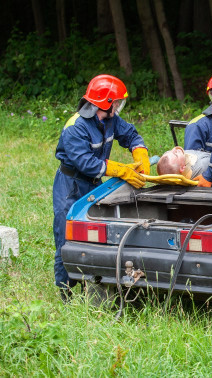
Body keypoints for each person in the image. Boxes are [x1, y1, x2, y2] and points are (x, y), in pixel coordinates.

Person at [53, 74, 149, 300]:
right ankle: (65, 291)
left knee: (94, 233)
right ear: (105, 102)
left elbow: (130, 134)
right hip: (70, 184)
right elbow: (85, 163)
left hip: (94, 183)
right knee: (66, 233)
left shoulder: (111, 119)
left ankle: (92, 283)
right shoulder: (75, 127)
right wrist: (121, 169)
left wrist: (140, 152)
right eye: (116, 102)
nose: (118, 106)